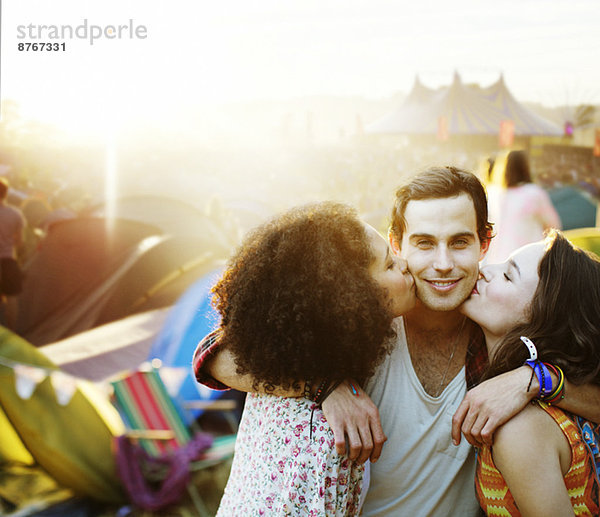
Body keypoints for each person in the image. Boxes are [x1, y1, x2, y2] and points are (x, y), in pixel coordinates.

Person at [198, 167, 600, 516]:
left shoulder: (503, 336)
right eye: (424, 242)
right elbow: (218, 354)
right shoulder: (359, 330)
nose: (443, 263)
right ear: (397, 243)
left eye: (459, 242)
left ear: (484, 244)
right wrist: (323, 386)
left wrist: (532, 380)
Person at [195, 201, 415, 515]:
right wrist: (323, 387)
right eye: (390, 265)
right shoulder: (330, 436)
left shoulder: (280, 362)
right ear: (351, 298)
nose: (404, 264)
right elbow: (210, 354)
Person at [461, 230, 600, 515]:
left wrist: (532, 378)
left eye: (508, 276)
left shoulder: (520, 429)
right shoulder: (559, 401)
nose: (485, 270)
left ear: (541, 317)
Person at [486, 150, 561, 263]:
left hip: (495, 261)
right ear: (525, 167)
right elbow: (554, 227)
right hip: (527, 262)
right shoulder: (534, 193)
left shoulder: (492, 193)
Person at [0, 178, 25, 329]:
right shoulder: (15, 214)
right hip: (9, 260)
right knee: (12, 299)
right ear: (6, 194)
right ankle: (12, 332)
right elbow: (20, 241)